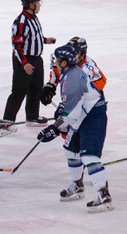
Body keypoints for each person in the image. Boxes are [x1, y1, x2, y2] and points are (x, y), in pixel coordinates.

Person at [37, 45, 113, 213]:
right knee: (70, 150)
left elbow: (73, 112)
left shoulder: (72, 78)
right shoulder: (69, 74)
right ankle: (78, 185)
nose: (55, 63)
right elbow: (72, 108)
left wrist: (54, 128)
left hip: (93, 117)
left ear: (64, 62)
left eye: (57, 60)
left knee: (88, 156)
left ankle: (103, 193)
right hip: (82, 116)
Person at [3, 0, 56, 126]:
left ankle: (32, 117)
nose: (39, 5)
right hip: (24, 60)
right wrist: (25, 64)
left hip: (36, 59)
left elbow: (32, 37)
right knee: (19, 91)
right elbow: (17, 45)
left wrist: (45, 40)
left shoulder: (34, 18)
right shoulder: (21, 22)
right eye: (37, 2)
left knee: (36, 89)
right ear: (31, 5)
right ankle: (8, 120)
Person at [41, 36, 106, 106]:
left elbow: (99, 83)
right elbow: (56, 75)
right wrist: (49, 88)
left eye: (75, 54)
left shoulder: (88, 67)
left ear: (82, 55)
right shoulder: (62, 60)